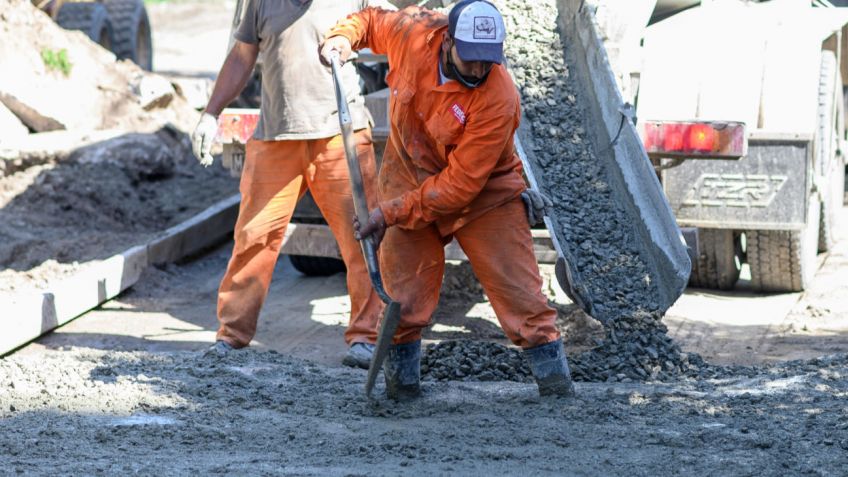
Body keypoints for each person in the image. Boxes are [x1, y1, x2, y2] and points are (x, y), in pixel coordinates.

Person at [319, 0, 575, 399]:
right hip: (408, 178)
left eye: (486, 61)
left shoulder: (498, 98)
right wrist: (342, 37)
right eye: (470, 59)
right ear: (448, 40)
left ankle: (557, 390)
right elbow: (370, 20)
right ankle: (402, 393)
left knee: (523, 299)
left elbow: (458, 187)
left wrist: (389, 212)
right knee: (402, 299)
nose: (478, 70)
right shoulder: (413, 33)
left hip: (484, 193)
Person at [191, 0, 395, 369]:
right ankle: (232, 336)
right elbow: (241, 56)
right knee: (254, 237)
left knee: (364, 237)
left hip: (340, 133)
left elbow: (393, 32)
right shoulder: (260, 3)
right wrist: (211, 113)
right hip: (276, 136)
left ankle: (366, 336)